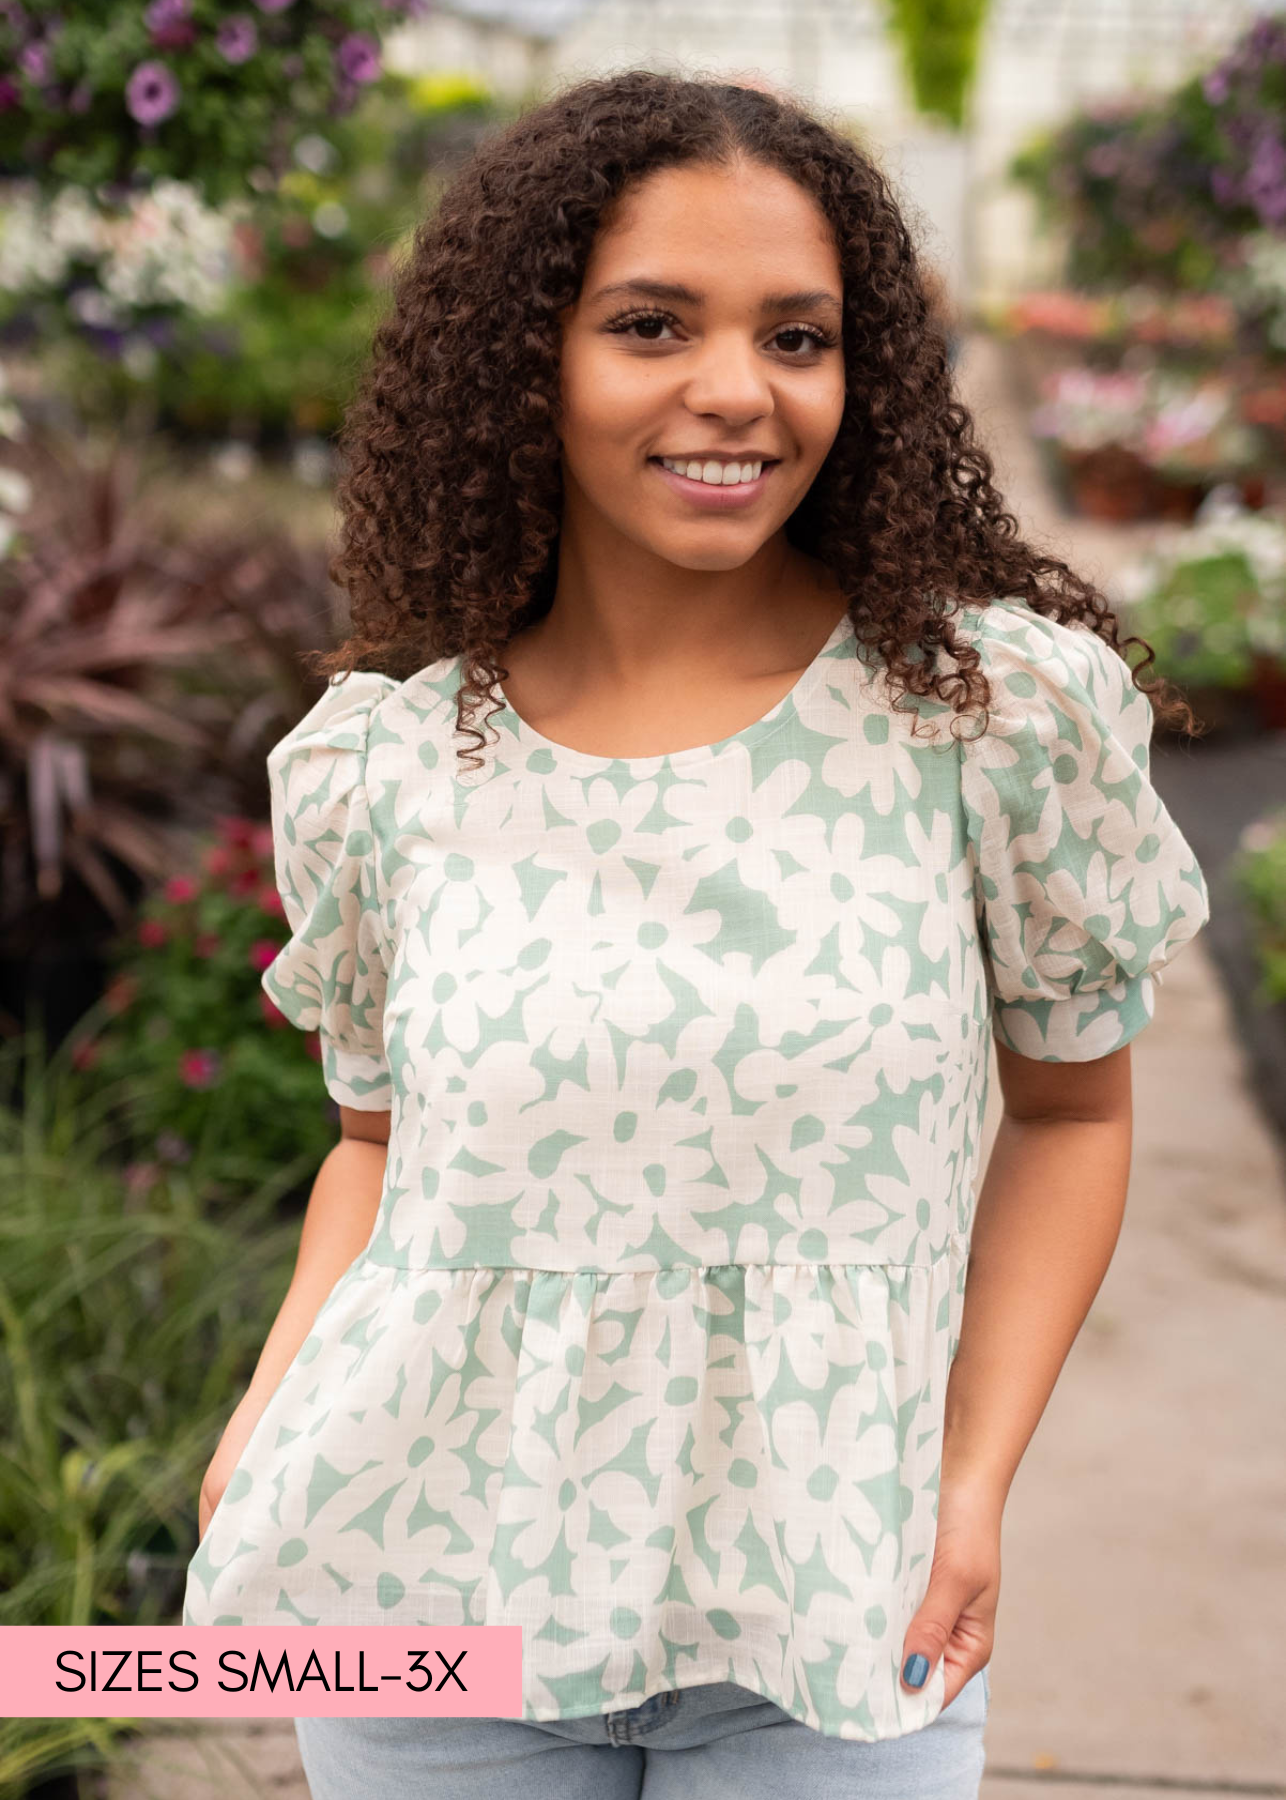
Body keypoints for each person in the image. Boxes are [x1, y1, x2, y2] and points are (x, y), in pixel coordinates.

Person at [181, 70, 1211, 1800]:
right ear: (528, 364)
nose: (735, 391)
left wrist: (965, 1483)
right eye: (651, 324)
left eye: (795, 336)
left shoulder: (988, 719)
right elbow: (373, 1153)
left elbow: (1072, 1113)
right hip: (429, 1601)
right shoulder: (388, 764)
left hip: (827, 1616)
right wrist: (269, 1409)